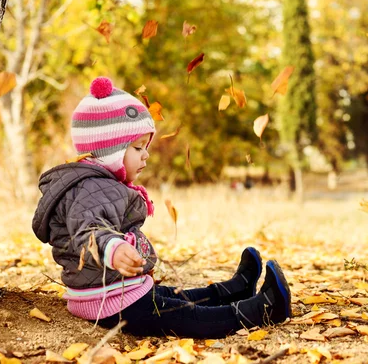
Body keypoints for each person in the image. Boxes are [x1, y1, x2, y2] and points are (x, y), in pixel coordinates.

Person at [32, 77, 291, 338]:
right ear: (108, 149)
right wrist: (113, 248)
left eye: (146, 147)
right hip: (107, 301)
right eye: (136, 147)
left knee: (170, 297)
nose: (146, 154)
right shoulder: (90, 188)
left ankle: (235, 289)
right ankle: (263, 310)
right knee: (185, 316)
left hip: (114, 290)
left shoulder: (97, 184)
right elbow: (88, 230)